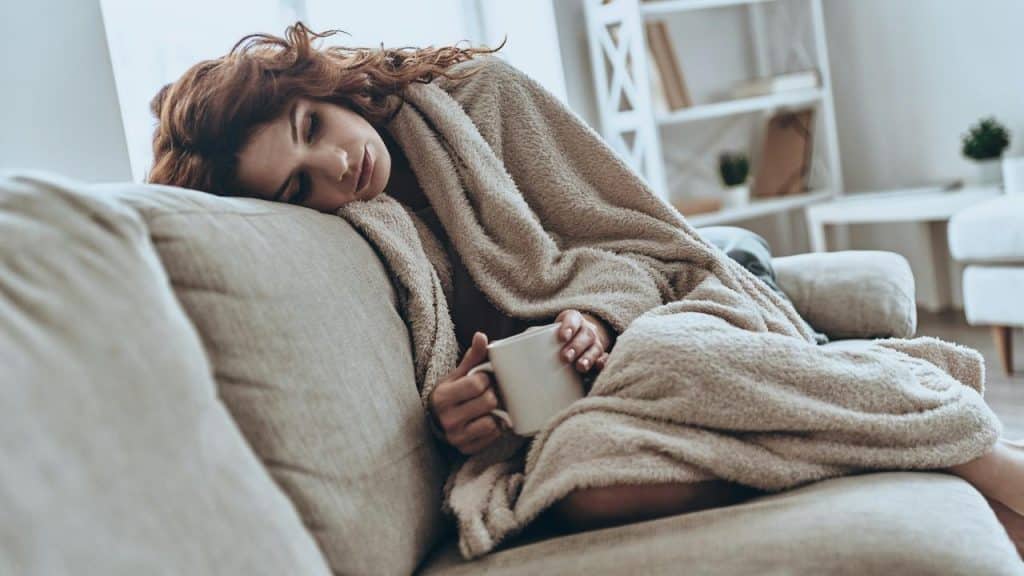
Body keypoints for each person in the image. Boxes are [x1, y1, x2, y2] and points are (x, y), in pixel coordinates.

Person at [147, 22, 1023, 548]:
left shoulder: (482, 98)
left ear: (322, 83)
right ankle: (837, 413)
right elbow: (453, 370)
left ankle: (975, 451)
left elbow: (645, 238)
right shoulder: (365, 231)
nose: (335, 165)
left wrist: (598, 315)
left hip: (688, 289)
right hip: (592, 393)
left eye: (312, 127)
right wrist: (465, 408)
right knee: (587, 482)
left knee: (669, 355)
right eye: (298, 184)